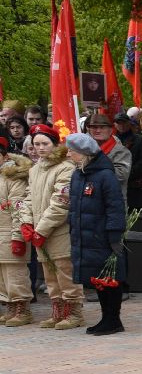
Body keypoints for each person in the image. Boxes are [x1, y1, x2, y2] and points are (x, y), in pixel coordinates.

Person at [63, 132, 126, 336]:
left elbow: (115, 207)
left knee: (110, 278)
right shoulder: (78, 174)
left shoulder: (105, 176)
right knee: (98, 279)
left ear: (84, 153)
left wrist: (114, 234)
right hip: (85, 236)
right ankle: (105, 318)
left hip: (102, 236)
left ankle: (113, 319)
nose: (69, 153)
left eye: (72, 150)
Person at [22, 127, 82, 330]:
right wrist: (27, 222)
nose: (40, 148)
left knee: (65, 271)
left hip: (59, 230)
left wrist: (41, 229)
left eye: (44, 144)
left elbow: (61, 203)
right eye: (36, 144)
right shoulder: (34, 169)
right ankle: (58, 311)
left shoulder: (66, 167)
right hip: (40, 230)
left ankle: (74, 312)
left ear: (55, 144)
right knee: (49, 273)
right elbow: (29, 198)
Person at [0, 146, 33, 326]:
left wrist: (17, 237)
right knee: (2, 277)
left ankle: (23, 307)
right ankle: (10, 306)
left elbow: (18, 210)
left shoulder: (13, 177)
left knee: (15, 274)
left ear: (5, 156)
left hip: (10, 232)